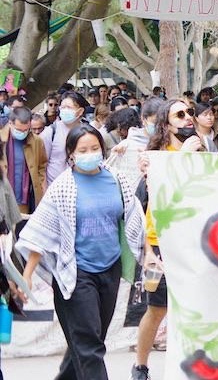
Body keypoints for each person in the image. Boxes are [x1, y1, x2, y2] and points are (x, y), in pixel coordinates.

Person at [14, 125, 145, 380]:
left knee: (90, 342)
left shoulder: (117, 180)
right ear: (71, 154)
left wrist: (148, 253)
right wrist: (27, 275)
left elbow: (134, 219)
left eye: (95, 148)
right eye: (83, 150)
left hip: (110, 268)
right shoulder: (63, 188)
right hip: (76, 273)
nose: (90, 153)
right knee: (89, 346)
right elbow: (41, 234)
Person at [132, 99, 203, 380]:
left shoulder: (202, 152)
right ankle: (140, 366)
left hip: (194, 241)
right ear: (166, 123)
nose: (188, 118)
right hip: (159, 243)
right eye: (180, 114)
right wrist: (148, 251)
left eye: (190, 113)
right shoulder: (156, 158)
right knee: (157, 308)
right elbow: (159, 199)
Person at [0, 107, 48, 214]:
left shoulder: (37, 141)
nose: (22, 133)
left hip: (24, 197)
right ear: (10, 123)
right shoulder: (1, 139)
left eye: (26, 130)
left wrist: (42, 189)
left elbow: (41, 167)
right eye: (18, 130)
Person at [41, 93, 91, 187]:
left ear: (80, 111)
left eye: (68, 107)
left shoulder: (88, 132)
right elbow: (41, 166)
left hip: (82, 186)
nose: (64, 110)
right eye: (62, 107)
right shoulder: (50, 132)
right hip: (56, 188)